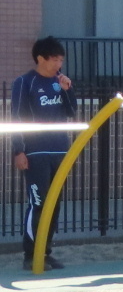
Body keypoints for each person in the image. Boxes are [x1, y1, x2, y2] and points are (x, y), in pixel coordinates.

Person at [12, 36, 78, 271]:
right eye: (54, 59)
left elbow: (71, 112)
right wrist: (19, 150)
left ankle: (45, 251)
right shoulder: (25, 82)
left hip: (60, 150)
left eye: (61, 60)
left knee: (54, 203)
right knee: (38, 202)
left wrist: (67, 91)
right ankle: (31, 254)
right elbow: (16, 117)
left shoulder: (60, 83)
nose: (58, 64)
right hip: (35, 151)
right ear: (40, 58)